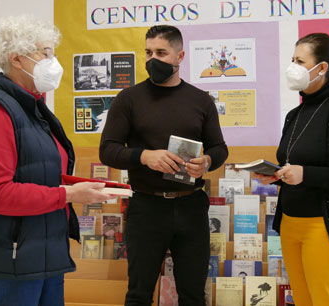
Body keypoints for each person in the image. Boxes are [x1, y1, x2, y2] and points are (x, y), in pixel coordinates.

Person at [0, 15, 115, 306]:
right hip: (14, 257)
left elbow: (36, 171)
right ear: (17, 59)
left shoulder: (31, 107)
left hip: (44, 249)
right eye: (44, 53)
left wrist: (80, 185)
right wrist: (69, 194)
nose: (53, 61)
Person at [99, 25, 228, 305]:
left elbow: (220, 148)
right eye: (148, 52)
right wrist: (144, 156)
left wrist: (206, 161)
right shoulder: (128, 99)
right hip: (146, 207)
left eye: (161, 52)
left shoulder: (201, 100)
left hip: (191, 205)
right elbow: (107, 151)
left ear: (180, 56)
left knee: (193, 295)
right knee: (138, 294)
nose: (152, 59)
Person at [256, 33, 329, 306]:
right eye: (292, 59)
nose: (292, 67)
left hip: (326, 227)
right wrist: (278, 175)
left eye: (299, 61)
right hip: (291, 223)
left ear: (321, 68)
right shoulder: (294, 115)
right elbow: (293, 166)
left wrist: (305, 174)